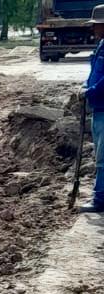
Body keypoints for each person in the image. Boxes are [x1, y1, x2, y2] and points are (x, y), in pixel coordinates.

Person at [78, 4, 104, 213]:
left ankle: (100, 199)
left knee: (103, 157)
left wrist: (90, 91)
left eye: (96, 26)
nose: (93, 29)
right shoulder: (102, 44)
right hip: (99, 106)